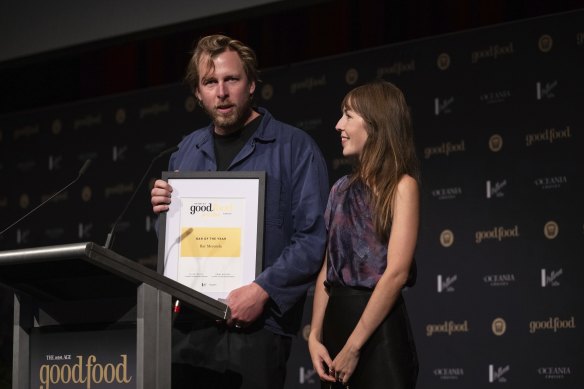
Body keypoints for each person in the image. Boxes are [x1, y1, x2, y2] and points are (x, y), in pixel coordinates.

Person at [150, 35, 329, 389]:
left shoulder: (295, 147)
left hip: (257, 329)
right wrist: (164, 213)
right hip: (189, 329)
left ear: (251, 84)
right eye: (210, 82)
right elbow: (174, 243)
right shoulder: (185, 152)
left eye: (231, 79)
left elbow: (312, 237)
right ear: (198, 93)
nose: (222, 91)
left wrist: (262, 290)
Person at [308, 80, 419, 389]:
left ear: (375, 123)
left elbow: (396, 273)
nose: (338, 125)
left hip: (378, 332)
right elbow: (326, 273)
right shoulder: (339, 189)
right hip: (335, 329)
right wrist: (315, 337)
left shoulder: (402, 187)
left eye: (348, 115)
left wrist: (354, 347)